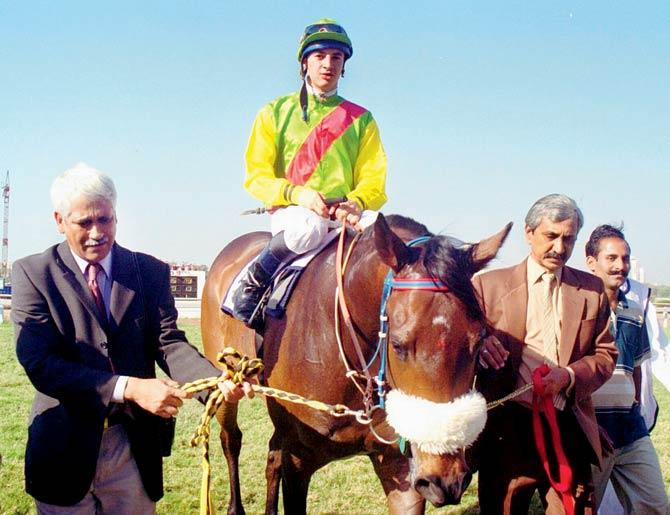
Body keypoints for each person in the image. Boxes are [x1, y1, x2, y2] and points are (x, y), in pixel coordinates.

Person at [12, 163, 251, 514]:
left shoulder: (149, 271)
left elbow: (169, 343)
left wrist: (215, 383)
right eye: (84, 222)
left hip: (133, 451)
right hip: (64, 451)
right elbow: (41, 365)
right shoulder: (32, 274)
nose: (97, 233)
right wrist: (131, 388)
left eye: (105, 220)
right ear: (59, 221)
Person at [232, 17, 387, 328]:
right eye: (319, 56)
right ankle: (253, 280)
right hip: (295, 213)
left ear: (344, 65)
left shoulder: (362, 119)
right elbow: (256, 174)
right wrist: (298, 194)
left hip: (345, 213)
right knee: (310, 228)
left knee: (387, 233)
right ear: (304, 62)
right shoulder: (273, 112)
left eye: (336, 57)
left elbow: (374, 176)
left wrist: (356, 201)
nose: (328, 64)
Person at [473, 193, 617, 514]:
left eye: (568, 238)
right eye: (551, 236)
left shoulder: (593, 290)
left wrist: (567, 376)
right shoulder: (486, 286)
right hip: (507, 431)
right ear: (529, 233)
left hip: (568, 426)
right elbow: (455, 344)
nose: (559, 247)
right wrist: (479, 343)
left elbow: (606, 355)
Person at [584, 224, 668, 514]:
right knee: (582, 508)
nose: (621, 266)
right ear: (591, 261)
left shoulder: (634, 311)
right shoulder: (575, 311)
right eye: (612, 258)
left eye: (626, 258)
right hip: (590, 435)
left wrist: (632, 401)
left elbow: (636, 366)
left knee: (655, 505)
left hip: (631, 431)